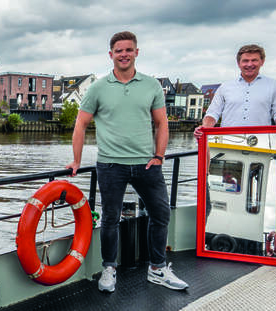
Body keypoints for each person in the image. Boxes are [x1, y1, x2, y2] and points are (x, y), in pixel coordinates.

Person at [65, 31, 188, 293]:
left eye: (128, 50)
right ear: (111, 55)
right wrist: (76, 161)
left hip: (146, 164)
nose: (124, 54)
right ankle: (109, 269)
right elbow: (81, 124)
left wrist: (159, 156)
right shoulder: (98, 87)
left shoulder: (151, 85)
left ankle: (157, 268)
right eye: (119, 51)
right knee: (110, 219)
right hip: (111, 165)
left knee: (161, 214)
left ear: (136, 52)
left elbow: (161, 122)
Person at [194, 44, 276, 139]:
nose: (249, 64)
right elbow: (213, 113)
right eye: (245, 61)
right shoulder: (225, 87)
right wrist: (204, 128)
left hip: (261, 144)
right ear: (239, 63)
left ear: (262, 62)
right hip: (227, 142)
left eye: (254, 60)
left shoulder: (274, 85)